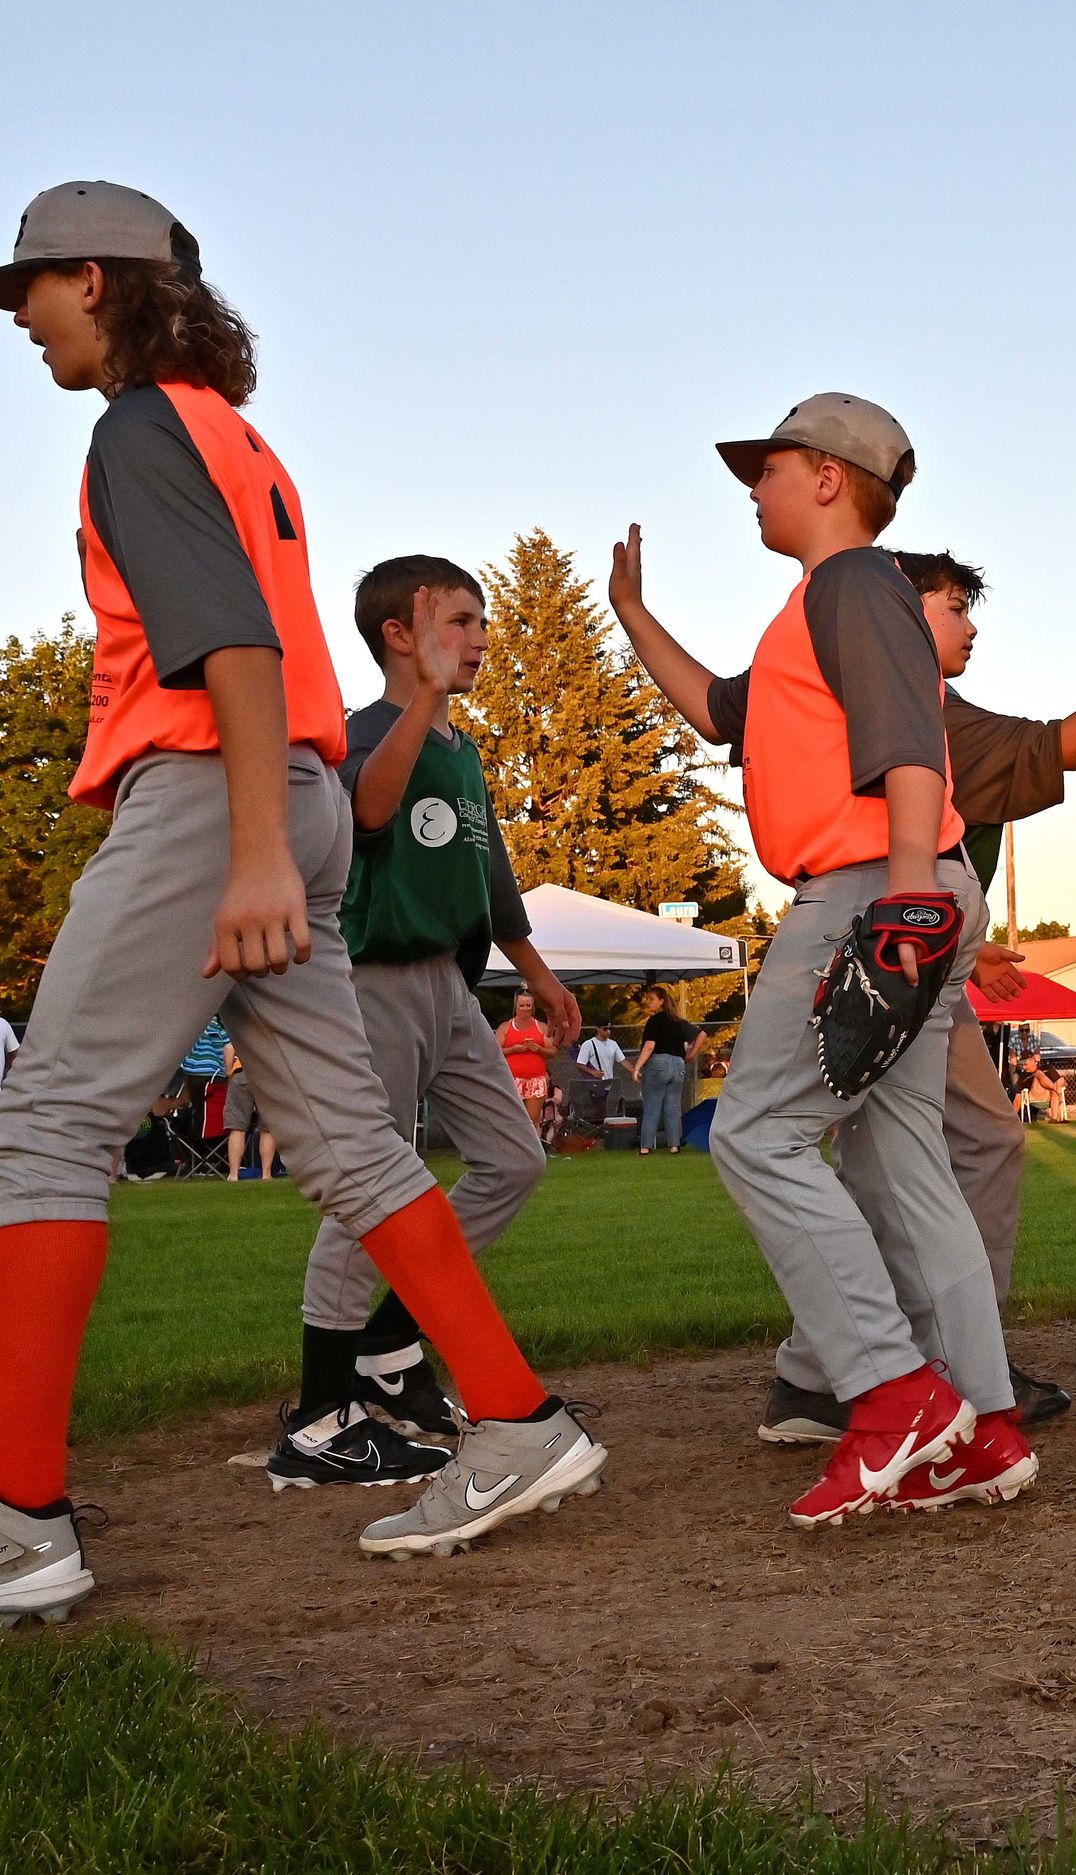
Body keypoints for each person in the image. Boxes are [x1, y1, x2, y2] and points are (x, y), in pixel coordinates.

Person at [0, 181, 601, 1625]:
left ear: (98, 278)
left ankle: (22, 1522)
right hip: (293, 793)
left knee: (49, 1125)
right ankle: (518, 1420)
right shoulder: (233, 428)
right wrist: (283, 830)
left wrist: (257, 843)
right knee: (345, 1138)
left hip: (227, 790)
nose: (19, 318)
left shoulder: (138, 425)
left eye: (29, 288)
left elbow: (232, 647)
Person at [607, 391, 1033, 1522]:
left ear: (833, 480)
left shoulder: (852, 585)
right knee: (902, 1160)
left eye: (773, 466)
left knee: (753, 1133)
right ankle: (980, 1423)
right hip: (904, 882)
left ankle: (894, 1398)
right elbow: (713, 712)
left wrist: (901, 902)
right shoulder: (820, 604)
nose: (756, 485)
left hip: (868, 885)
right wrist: (631, 614)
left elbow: (905, 740)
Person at [275, 554, 581, 1487]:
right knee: (375, 1180)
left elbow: (488, 881)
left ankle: (387, 1343)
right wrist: (424, 705)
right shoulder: (362, 732)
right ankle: (320, 1411)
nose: (480, 637)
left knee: (513, 1157)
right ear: (398, 636)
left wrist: (538, 970)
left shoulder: (462, 749)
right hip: (373, 980)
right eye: (458, 620)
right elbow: (368, 812)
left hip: (452, 984)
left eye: (482, 621)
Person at [867, 544, 1076, 1429]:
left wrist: (973, 952)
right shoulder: (928, 712)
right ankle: (954, 1359)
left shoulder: (883, 699)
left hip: (911, 958)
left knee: (885, 1163)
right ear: (901, 614)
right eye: (954, 606)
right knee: (971, 1144)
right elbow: (1062, 746)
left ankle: (835, 1368)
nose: (970, 626)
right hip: (901, 966)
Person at [629, 985, 696, 1155]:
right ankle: (674, 1145)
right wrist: (688, 1056)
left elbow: (650, 1046)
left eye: (651, 999)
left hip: (658, 1064)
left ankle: (645, 1147)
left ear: (661, 1001)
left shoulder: (654, 1021)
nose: (648, 1002)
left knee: (652, 1107)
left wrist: (637, 1067)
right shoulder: (678, 1022)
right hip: (678, 1064)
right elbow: (692, 1040)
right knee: (673, 1108)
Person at [497, 989, 557, 1134]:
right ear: (515, 1006)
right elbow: (494, 1053)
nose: (525, 1009)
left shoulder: (541, 1027)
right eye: (522, 1005)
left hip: (535, 1079)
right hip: (512, 1079)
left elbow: (552, 1052)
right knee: (512, 1117)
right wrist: (512, 1050)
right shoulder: (505, 1027)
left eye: (528, 1006)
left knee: (533, 1119)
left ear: (533, 1006)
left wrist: (538, 1050)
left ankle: (533, 1152)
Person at [221, 1038, 277, 1181]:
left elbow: (229, 1048)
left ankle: (233, 1175)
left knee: (237, 1128)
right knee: (267, 1128)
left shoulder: (242, 1028)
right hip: (267, 1075)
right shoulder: (269, 1031)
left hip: (242, 1072)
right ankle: (266, 1174)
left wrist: (229, 1072)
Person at [575, 1023, 625, 1125]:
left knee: (606, 1109)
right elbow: (580, 1064)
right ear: (598, 1029)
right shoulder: (588, 1044)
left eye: (610, 1029)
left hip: (608, 1083)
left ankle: (602, 1129)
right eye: (605, 1029)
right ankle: (598, 1130)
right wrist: (593, 1072)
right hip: (595, 1084)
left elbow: (623, 1061)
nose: (608, 1032)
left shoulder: (613, 1044)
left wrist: (635, 1071)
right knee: (600, 1108)